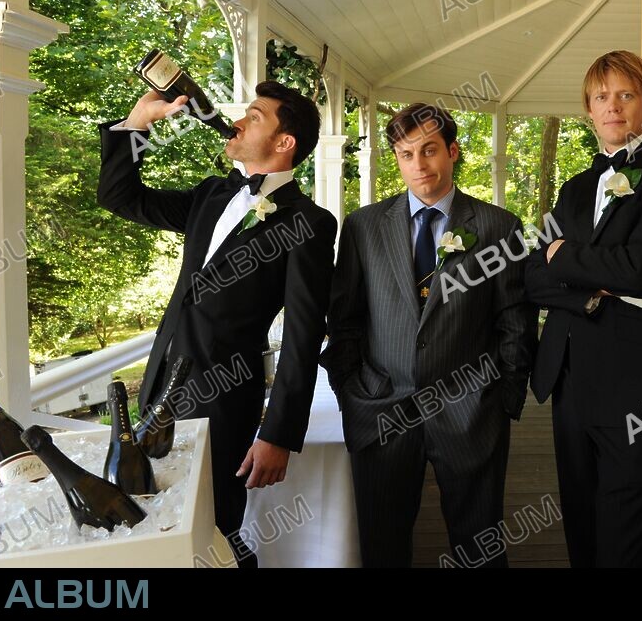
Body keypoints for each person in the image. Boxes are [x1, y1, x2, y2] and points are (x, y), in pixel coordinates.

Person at [97, 81, 336, 568]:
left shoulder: (308, 222)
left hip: (224, 400)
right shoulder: (211, 194)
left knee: (215, 531)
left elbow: (303, 335)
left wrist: (278, 433)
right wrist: (137, 125)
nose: (239, 120)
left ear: (284, 142)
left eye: (254, 115)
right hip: (159, 386)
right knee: (154, 517)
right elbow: (120, 197)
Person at [321, 103, 537, 568]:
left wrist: (502, 401)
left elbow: (515, 322)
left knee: (479, 546)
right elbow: (345, 320)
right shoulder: (363, 226)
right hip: (381, 410)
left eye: (429, 150)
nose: (418, 165)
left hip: (471, 411)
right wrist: (352, 394)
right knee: (382, 545)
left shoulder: (499, 227)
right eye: (405, 154)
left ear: (453, 151)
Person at [525, 50, 642, 567]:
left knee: (624, 535)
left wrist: (568, 258)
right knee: (580, 526)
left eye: (626, 94)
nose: (613, 106)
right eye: (601, 97)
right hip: (569, 378)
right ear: (588, 109)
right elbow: (533, 276)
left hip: (637, 383)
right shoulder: (577, 187)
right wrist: (593, 289)